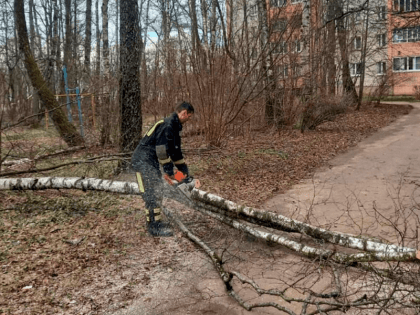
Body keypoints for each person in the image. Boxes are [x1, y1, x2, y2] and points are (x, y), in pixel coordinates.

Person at [131, 101, 195, 237]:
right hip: (142, 161)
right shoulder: (167, 125)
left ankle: (157, 221)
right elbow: (161, 151)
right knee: (151, 192)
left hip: (151, 162)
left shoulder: (174, 128)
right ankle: (153, 226)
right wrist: (170, 172)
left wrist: (184, 173)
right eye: (189, 117)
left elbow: (176, 153)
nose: (189, 120)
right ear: (184, 113)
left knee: (158, 189)